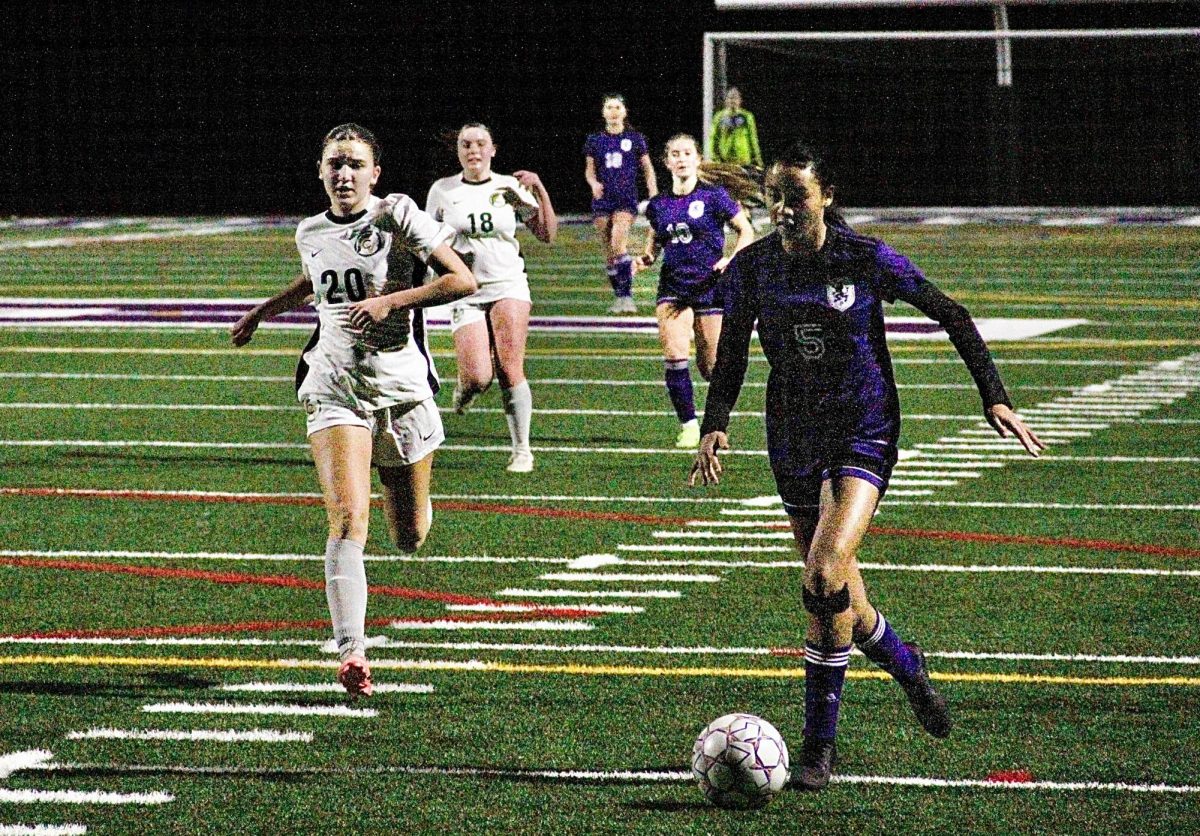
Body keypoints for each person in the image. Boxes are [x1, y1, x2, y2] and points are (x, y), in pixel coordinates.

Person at [688, 140, 1045, 790]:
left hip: (863, 426)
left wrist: (995, 396)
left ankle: (818, 750)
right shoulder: (752, 269)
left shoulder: (863, 257)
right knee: (841, 595)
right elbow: (733, 355)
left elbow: (951, 313)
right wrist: (714, 426)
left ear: (826, 196)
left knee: (824, 574)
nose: (785, 210)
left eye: (797, 196)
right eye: (776, 197)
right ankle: (907, 664)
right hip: (791, 434)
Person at [230, 123, 476, 698]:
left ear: (374, 173)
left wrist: (393, 299)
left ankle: (408, 504)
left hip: (403, 388)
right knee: (347, 520)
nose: (343, 173)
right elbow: (317, 281)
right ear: (320, 172)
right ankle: (352, 651)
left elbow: (461, 279)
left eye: (354, 163)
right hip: (335, 385)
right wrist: (266, 310)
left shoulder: (399, 217)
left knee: (409, 534)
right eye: (334, 163)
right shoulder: (310, 231)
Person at [426, 122, 558, 473]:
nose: (474, 150)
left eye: (480, 143)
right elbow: (426, 243)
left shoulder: (509, 186)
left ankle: (522, 450)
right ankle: (464, 391)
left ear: (493, 149)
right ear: (458, 151)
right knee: (477, 377)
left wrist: (539, 190)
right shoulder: (442, 191)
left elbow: (546, 233)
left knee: (509, 366)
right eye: (466, 144)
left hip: (508, 284)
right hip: (466, 290)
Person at [633, 133, 755, 449]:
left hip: (710, 288)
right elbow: (657, 236)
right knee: (675, 355)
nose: (681, 158)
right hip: (673, 288)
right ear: (667, 161)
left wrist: (733, 258)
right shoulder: (659, 205)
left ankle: (717, 423)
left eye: (687, 153)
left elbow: (746, 230)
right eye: (675, 153)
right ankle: (689, 426)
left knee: (711, 367)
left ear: (698, 159)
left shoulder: (714, 197)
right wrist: (647, 257)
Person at [583, 93, 657, 314]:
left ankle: (626, 297)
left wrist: (653, 193)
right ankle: (619, 297)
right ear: (603, 112)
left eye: (617, 107)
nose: (613, 111)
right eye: (609, 107)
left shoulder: (635, 139)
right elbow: (589, 170)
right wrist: (593, 183)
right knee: (609, 253)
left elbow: (648, 169)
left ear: (624, 112)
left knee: (618, 243)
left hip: (625, 198)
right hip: (603, 200)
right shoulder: (595, 140)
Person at [706, 87, 763, 168]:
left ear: (740, 100)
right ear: (726, 100)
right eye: (730, 98)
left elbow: (753, 139)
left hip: (744, 161)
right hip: (725, 162)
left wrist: (757, 160)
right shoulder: (719, 117)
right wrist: (714, 158)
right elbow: (713, 138)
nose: (733, 101)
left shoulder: (747, 116)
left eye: (735, 98)